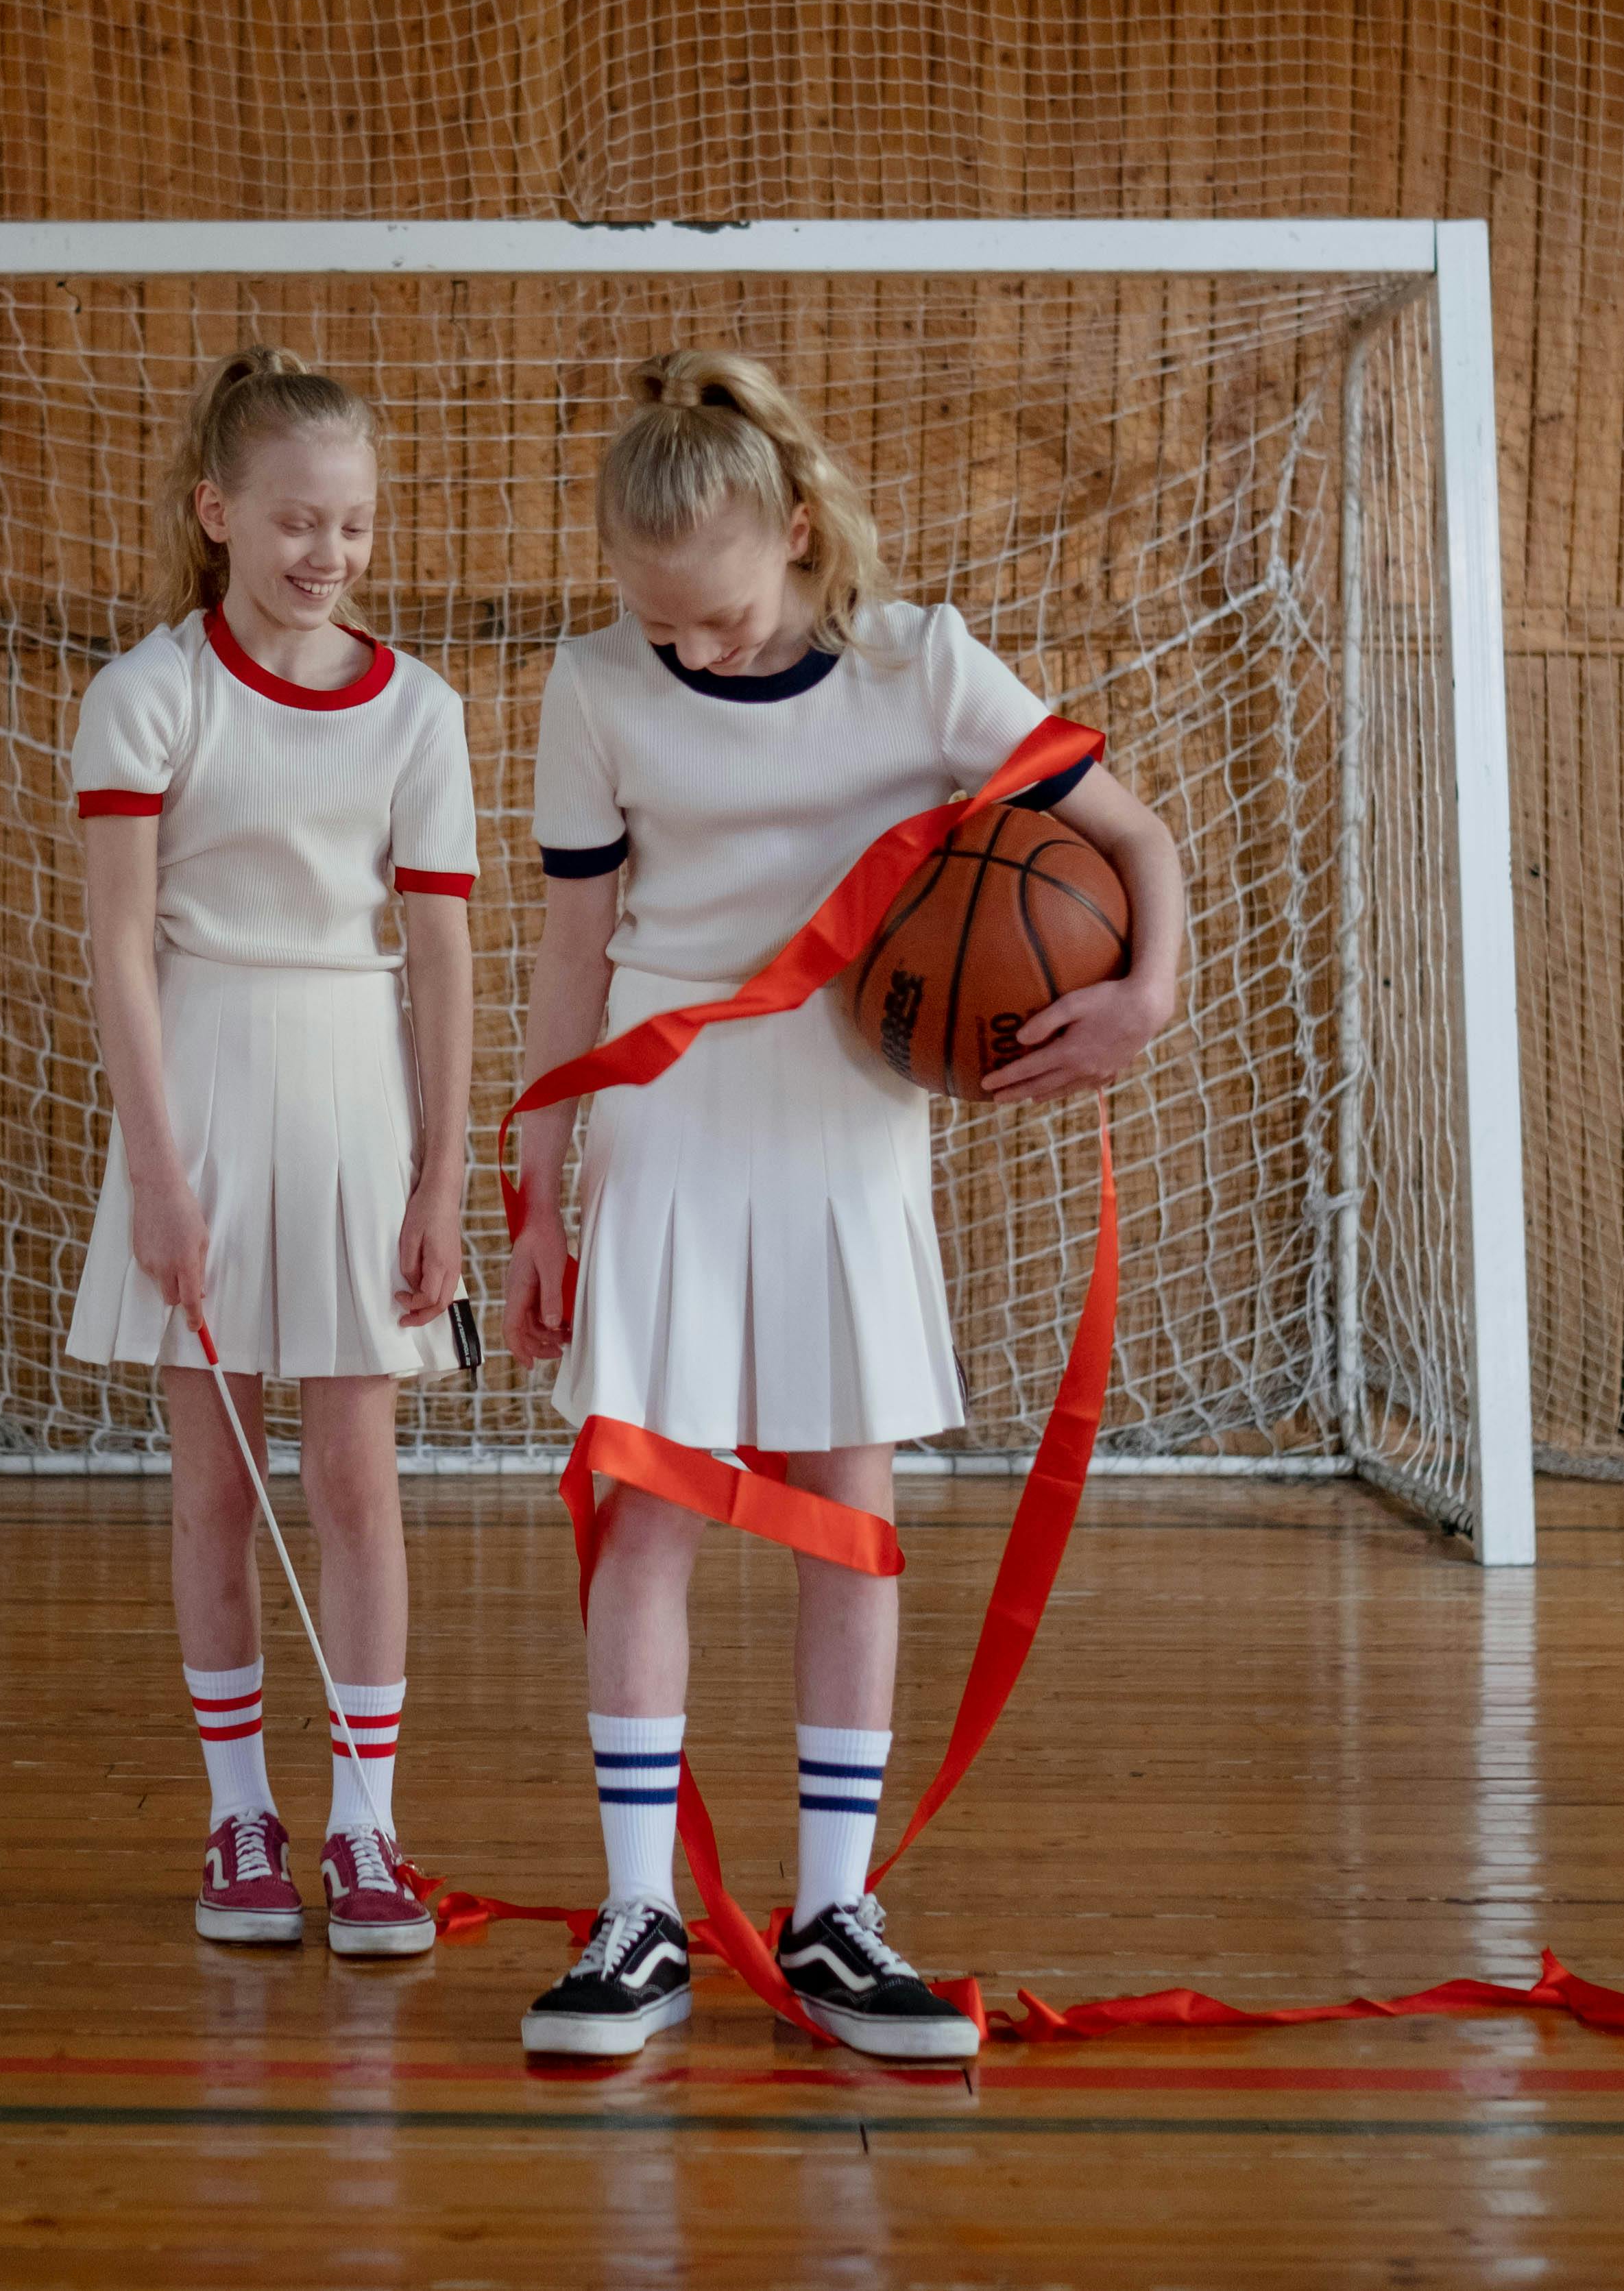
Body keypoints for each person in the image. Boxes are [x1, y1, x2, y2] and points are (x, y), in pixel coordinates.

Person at [505, 348, 1190, 2059]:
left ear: (798, 532)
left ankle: (832, 1915)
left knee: (846, 1504)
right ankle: (638, 1914)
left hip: (851, 1123)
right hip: (663, 1117)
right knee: (647, 1509)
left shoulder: (923, 664)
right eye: (658, 621)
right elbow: (573, 955)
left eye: (719, 619)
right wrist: (530, 1191)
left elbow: (1142, 839)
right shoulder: (592, 689)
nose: (688, 649)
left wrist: (1148, 990)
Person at [64, 346, 476, 1961]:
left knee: (356, 1482)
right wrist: (158, 1175)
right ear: (215, 511)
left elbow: (438, 962)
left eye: (356, 526)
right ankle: (239, 1815)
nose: (328, 554)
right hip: (199, 1092)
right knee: (214, 1491)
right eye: (299, 520)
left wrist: (440, 1176)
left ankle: (367, 1830)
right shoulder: (143, 692)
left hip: (355, 1095)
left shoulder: (421, 709)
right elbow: (114, 951)